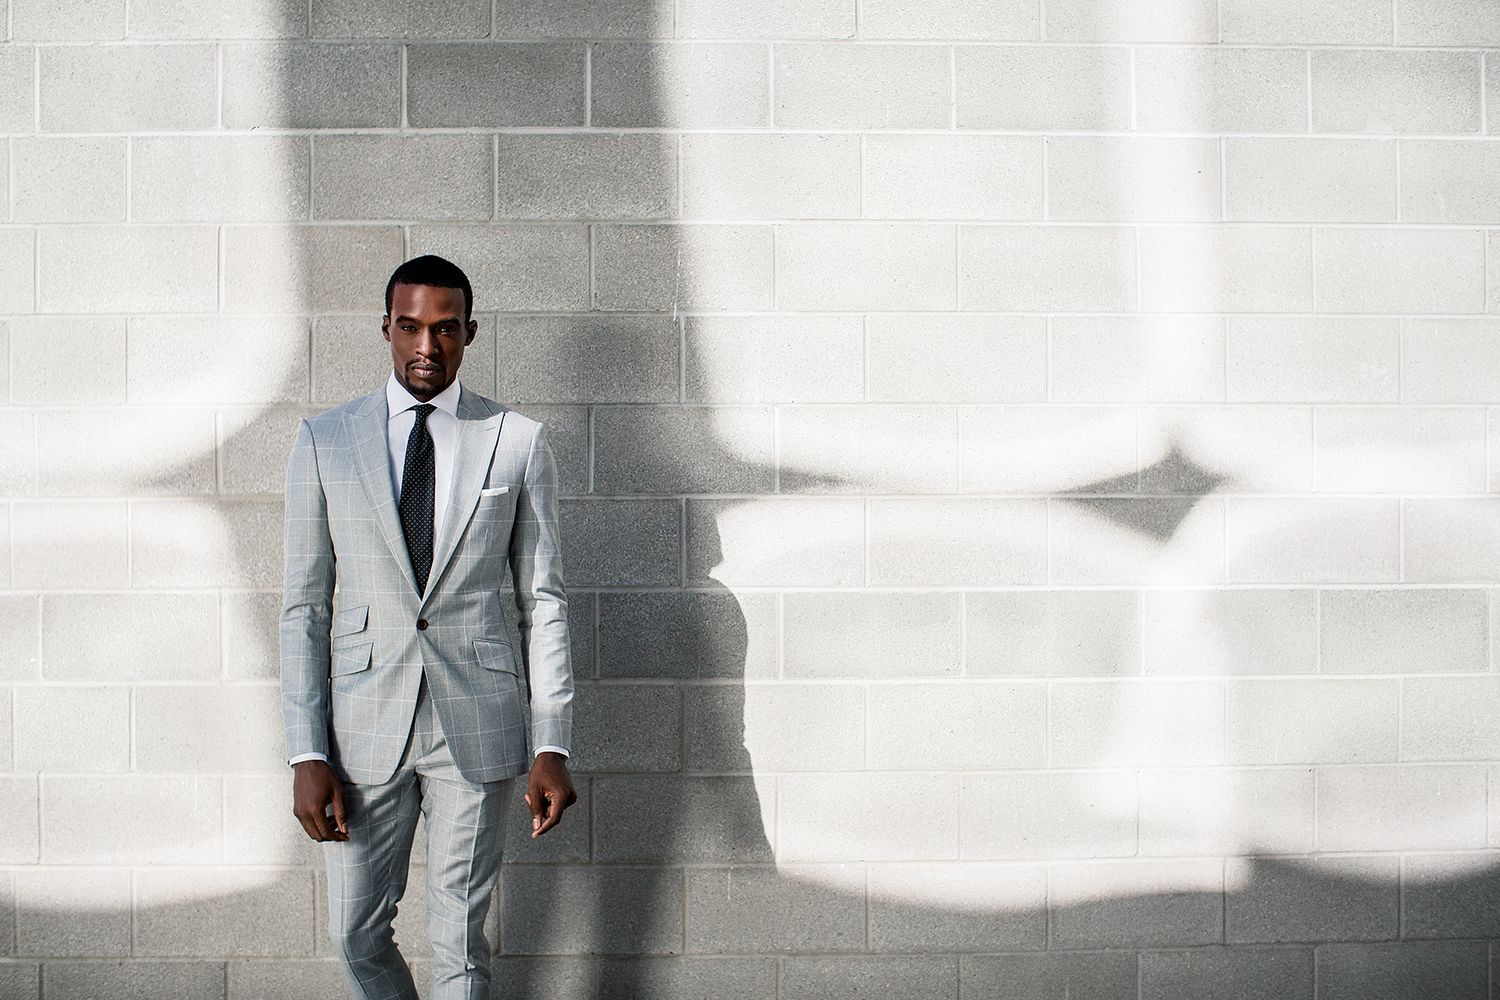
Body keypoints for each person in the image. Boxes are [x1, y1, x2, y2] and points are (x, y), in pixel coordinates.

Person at [279, 253, 576, 999]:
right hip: (359, 728)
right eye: (409, 327)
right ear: (385, 327)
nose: (426, 347)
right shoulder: (325, 440)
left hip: (474, 722)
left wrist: (552, 742)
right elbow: (305, 608)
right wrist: (306, 750)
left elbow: (544, 601)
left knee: (458, 943)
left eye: (445, 330)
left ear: (469, 334)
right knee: (355, 932)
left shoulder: (515, 440)